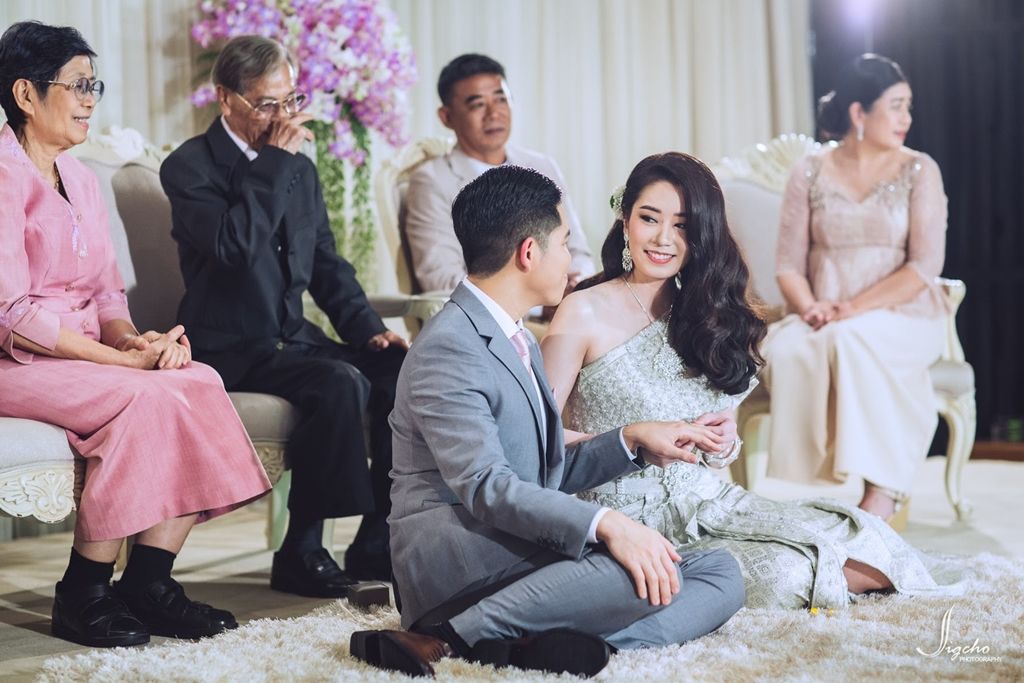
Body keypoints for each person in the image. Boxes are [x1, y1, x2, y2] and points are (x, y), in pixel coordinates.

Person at [349, 165, 745, 679]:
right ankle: (445, 636)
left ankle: (547, 647)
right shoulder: (449, 348)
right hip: (464, 568)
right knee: (630, 566)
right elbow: (487, 487)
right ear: (528, 253)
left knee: (719, 571)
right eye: (564, 242)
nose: (572, 258)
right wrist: (608, 523)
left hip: (522, 550)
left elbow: (542, 468)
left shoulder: (515, 337)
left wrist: (632, 440)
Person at [542, 152, 966, 611]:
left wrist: (723, 440)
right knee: (790, 571)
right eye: (649, 218)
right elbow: (536, 437)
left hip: (710, 501)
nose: (664, 238)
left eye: (682, 225)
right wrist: (632, 438)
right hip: (630, 521)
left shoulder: (702, 313)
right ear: (625, 221)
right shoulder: (582, 310)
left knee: (864, 535)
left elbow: (718, 441)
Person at [0, 21, 271, 648]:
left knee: (196, 379)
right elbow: (11, 312)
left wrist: (132, 343)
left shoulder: (81, 179)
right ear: (26, 94)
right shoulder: (4, 176)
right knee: (142, 398)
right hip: (19, 361)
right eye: (78, 85)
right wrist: (118, 364)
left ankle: (149, 583)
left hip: (84, 358)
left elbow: (106, 296)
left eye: (94, 85)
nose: (90, 99)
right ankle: (82, 592)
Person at [160, 35, 406, 593]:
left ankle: (375, 542)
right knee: (337, 382)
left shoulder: (299, 170)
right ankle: (301, 550)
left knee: (399, 375)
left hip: (290, 340)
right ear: (226, 98)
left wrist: (369, 331)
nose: (282, 118)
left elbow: (326, 264)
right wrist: (274, 161)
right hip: (229, 347)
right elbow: (235, 248)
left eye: (291, 101)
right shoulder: (189, 167)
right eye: (267, 104)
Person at [763, 53, 950, 526]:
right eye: (897, 106)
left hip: (907, 314)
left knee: (851, 338)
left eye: (908, 107)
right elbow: (788, 265)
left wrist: (851, 308)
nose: (907, 118)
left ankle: (882, 492)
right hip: (823, 314)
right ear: (858, 112)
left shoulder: (920, 170)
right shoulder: (809, 171)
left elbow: (924, 267)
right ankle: (825, 485)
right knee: (790, 348)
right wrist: (810, 307)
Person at [404, 53, 595, 295]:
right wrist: (539, 302)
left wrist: (577, 286)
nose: (494, 113)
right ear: (447, 117)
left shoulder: (542, 166)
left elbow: (578, 251)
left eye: (501, 99)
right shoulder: (432, 182)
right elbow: (442, 280)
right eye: (477, 104)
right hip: (504, 314)